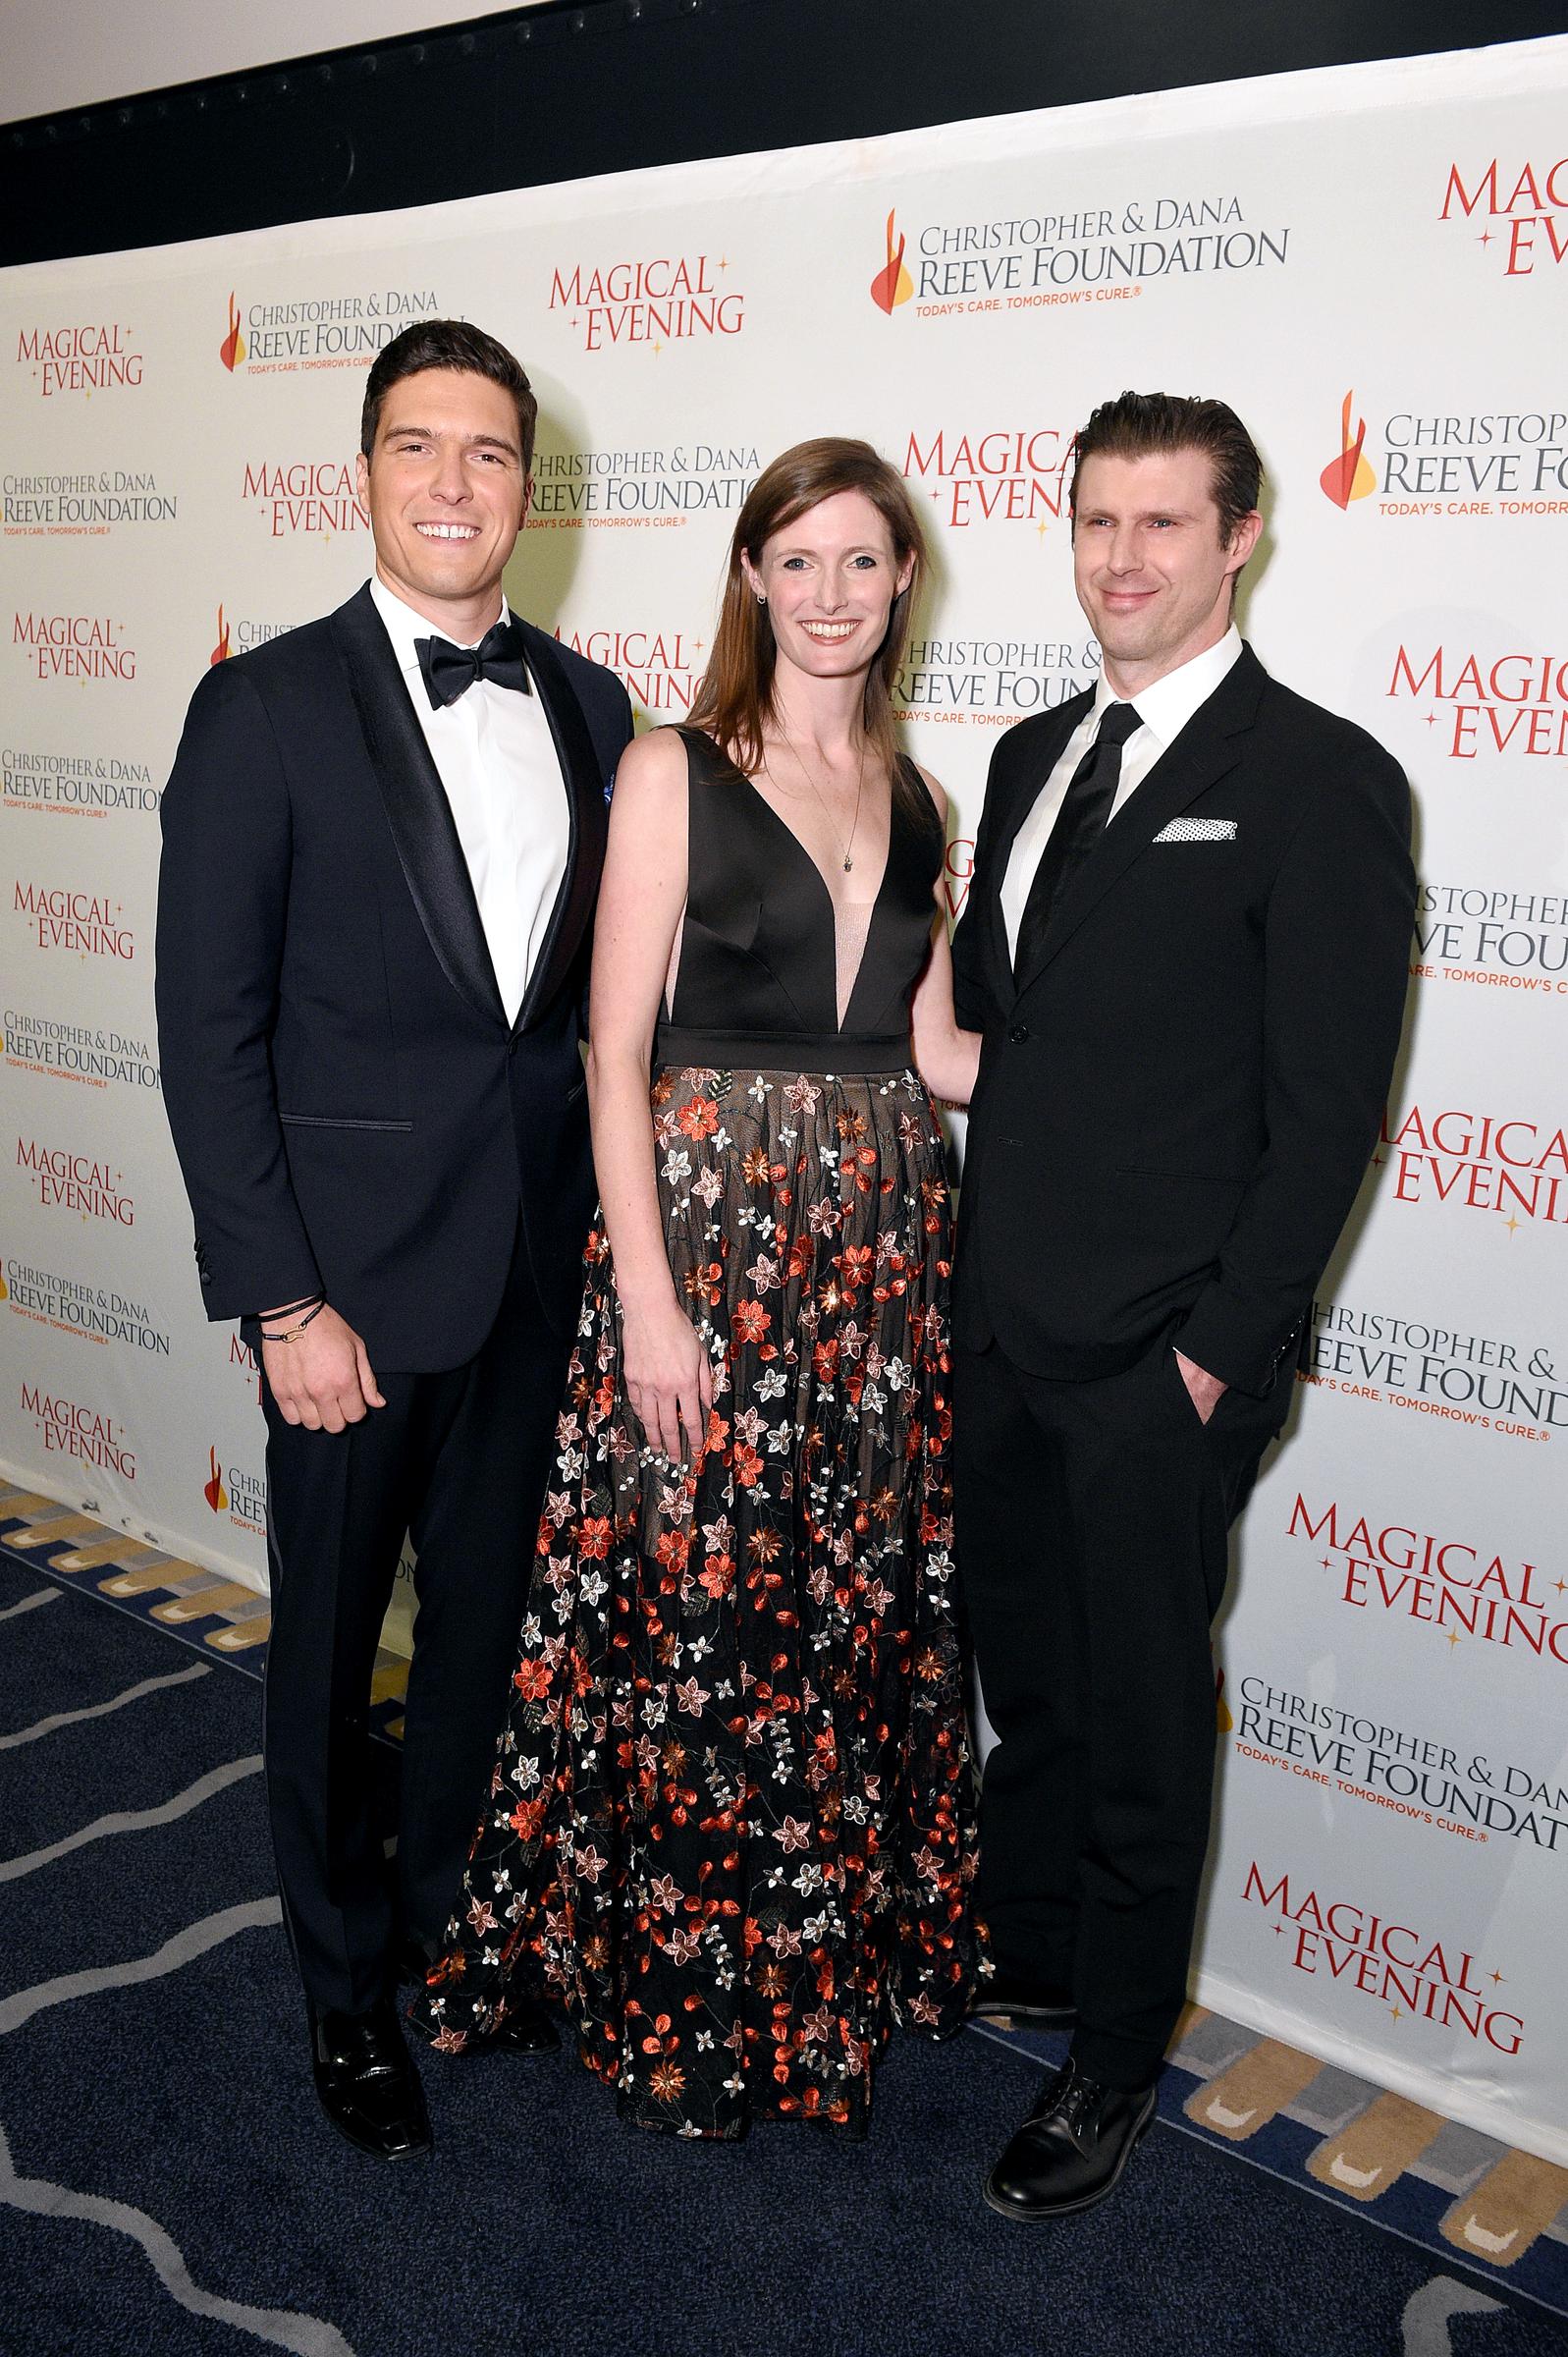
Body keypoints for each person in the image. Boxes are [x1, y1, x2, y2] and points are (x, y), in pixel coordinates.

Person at [412, 438, 984, 2136]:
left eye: (861, 562)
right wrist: (647, 1304)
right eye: (795, 560)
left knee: (840, 1611)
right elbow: (609, 1054)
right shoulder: (670, 769)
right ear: (750, 575)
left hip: (878, 1268)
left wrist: (1145, 1094)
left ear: (901, 585)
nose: (827, 594)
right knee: (694, 1620)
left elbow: (940, 1048)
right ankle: (682, 1988)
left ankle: (822, 1970)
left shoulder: (916, 793)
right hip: (707, 1255)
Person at [155, 320, 633, 2163]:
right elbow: (215, 1036)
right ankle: (342, 1994)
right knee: (326, 1655)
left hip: (534, 1279)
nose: (453, 484)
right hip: (342, 1295)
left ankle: (448, 1928)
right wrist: (280, 1297)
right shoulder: (261, 706)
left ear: (531, 485)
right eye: (418, 448)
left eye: (491, 453)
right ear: (361, 472)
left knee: (483, 1650)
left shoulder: (592, 710)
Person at [950, 392, 1415, 2219]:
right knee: (1032, 1684)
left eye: (1162, 525)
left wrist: (1216, 1356)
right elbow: (1013, 1023)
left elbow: (1324, 1128)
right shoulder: (1022, 756)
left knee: (1140, 1711)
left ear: (1238, 542)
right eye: (1093, 522)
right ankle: (1039, 1944)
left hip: (1166, 1358)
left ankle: (1113, 2058)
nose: (1120, 560)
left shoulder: (1319, 779)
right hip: (1000, 1326)